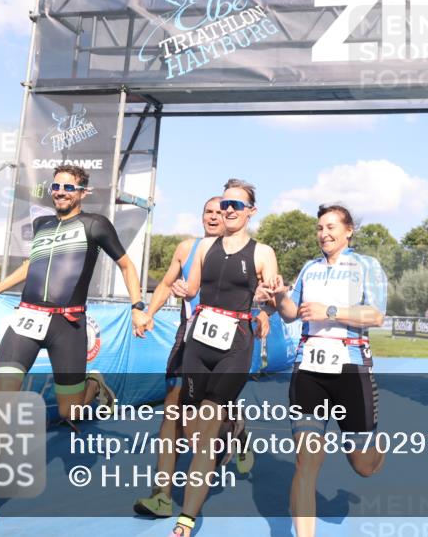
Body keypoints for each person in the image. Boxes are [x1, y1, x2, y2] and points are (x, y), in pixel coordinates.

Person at [0, 164, 151, 537]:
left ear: (83, 191)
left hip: (67, 326)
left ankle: (91, 387)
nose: (61, 191)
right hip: (26, 320)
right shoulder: (42, 226)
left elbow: (128, 266)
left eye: (69, 187)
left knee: (70, 411)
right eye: (56, 186)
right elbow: (31, 268)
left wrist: (137, 306)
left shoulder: (95, 224)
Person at [266, 204, 388, 537]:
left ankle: (377, 448)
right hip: (308, 369)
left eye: (332, 227)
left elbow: (376, 316)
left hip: (351, 368)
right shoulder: (309, 268)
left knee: (362, 465)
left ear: (349, 231)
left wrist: (329, 310)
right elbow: (292, 312)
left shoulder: (367, 266)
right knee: (307, 462)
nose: (324, 233)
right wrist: (278, 297)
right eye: (320, 228)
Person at [167, 179, 277, 537]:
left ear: (251, 211)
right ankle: (236, 431)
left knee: (210, 423)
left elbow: (272, 301)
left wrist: (265, 300)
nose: (229, 210)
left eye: (237, 205)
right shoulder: (204, 248)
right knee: (192, 433)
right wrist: (180, 288)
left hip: (236, 345)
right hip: (199, 343)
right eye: (226, 204)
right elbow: (191, 288)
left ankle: (187, 516)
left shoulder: (263, 253)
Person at [133, 196, 254, 520]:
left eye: (220, 212)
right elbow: (166, 284)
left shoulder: (246, 251)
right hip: (189, 336)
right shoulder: (188, 248)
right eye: (209, 212)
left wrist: (263, 313)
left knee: (201, 425)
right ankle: (161, 494)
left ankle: (233, 430)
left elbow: (254, 292)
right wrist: (148, 312)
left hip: (229, 340)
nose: (215, 217)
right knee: (172, 413)